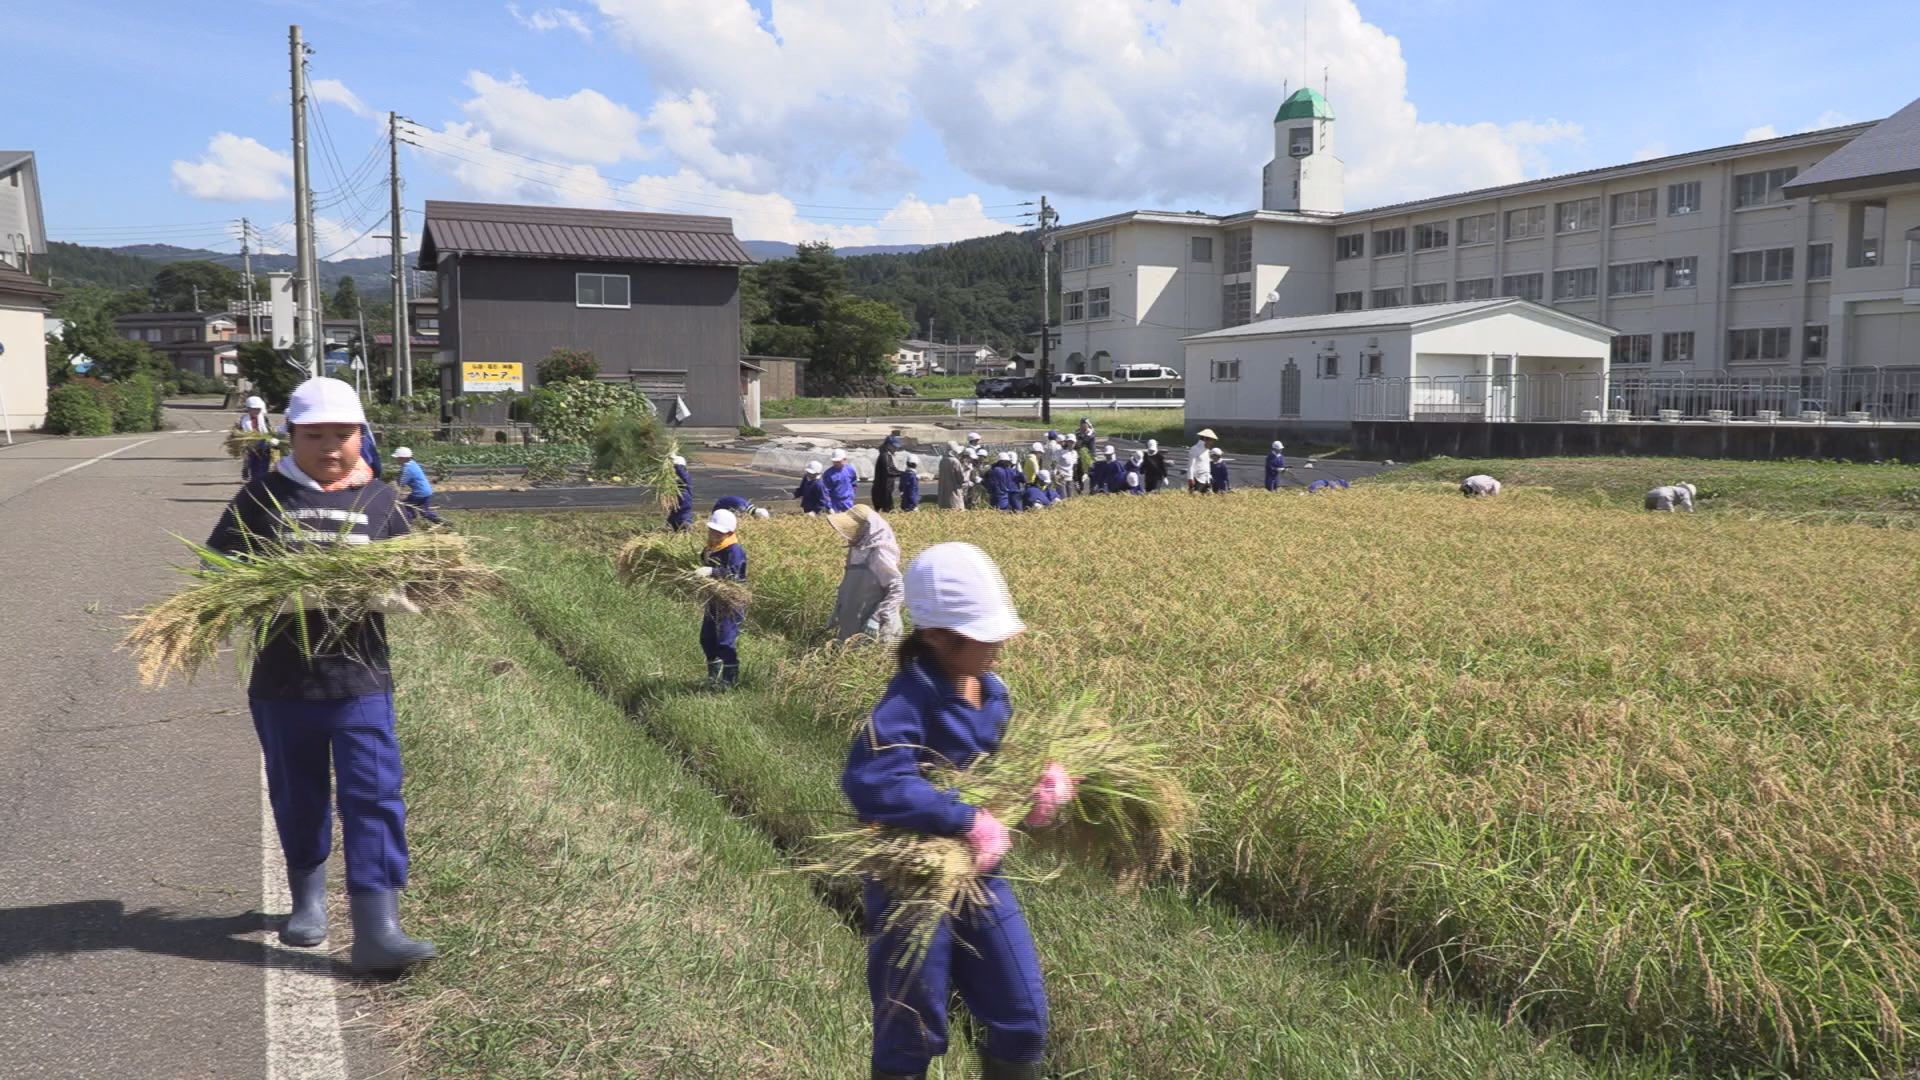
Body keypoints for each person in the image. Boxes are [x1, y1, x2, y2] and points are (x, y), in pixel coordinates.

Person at [207, 376, 435, 973]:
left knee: (375, 794)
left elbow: (425, 579)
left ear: (363, 436)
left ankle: (378, 924)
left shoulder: (384, 502)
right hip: (283, 684)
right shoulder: (262, 498)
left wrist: (398, 594)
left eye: (343, 433)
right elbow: (216, 575)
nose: (330, 446)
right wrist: (279, 596)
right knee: (298, 791)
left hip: (360, 680)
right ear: (291, 436)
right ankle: (307, 899)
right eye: (315, 435)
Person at [842, 542, 1067, 1080]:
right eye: (982, 638)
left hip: (984, 877)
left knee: (1022, 1018)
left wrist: (1037, 781)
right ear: (938, 639)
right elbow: (874, 779)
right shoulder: (908, 700)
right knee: (913, 1027)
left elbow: (997, 759)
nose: (997, 648)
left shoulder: (985, 689)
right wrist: (963, 819)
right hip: (914, 883)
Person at [829, 505, 904, 644]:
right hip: (852, 623)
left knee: (875, 661)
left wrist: (877, 618)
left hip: (876, 628)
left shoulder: (879, 554)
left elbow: (897, 589)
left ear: (866, 528)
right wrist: (838, 609)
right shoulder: (856, 551)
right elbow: (848, 585)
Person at [696, 507, 747, 687]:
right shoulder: (711, 547)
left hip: (731, 601)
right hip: (714, 599)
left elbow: (734, 574)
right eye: (712, 531)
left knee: (725, 640)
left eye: (719, 532)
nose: (715, 534)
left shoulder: (734, 550)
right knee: (707, 638)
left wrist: (712, 571)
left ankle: (729, 680)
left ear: (729, 532)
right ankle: (713, 677)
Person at [390, 447, 445, 525]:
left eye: (398, 458)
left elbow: (401, 483)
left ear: (403, 458)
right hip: (427, 491)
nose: (396, 460)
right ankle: (442, 522)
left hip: (419, 493)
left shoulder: (407, 469)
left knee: (405, 506)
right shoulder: (413, 463)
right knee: (425, 512)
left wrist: (394, 478)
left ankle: (409, 523)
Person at [236, 395, 276, 483]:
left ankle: (262, 480)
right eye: (254, 409)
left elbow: (270, 431)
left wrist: (274, 440)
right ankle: (254, 479)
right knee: (253, 464)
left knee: (264, 465)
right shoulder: (243, 419)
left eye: (258, 409)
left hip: (264, 445)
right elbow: (238, 432)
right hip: (251, 447)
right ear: (248, 409)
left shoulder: (264, 419)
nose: (256, 411)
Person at [823, 449, 859, 513]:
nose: (836, 463)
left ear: (844, 460)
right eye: (834, 462)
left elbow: (854, 483)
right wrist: (829, 507)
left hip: (848, 502)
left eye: (838, 461)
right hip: (835, 503)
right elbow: (825, 492)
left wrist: (852, 495)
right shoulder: (828, 474)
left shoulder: (850, 470)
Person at [873, 435, 902, 513]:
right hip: (883, 491)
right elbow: (889, 471)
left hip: (885, 489)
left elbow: (892, 468)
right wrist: (903, 474)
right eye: (894, 447)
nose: (896, 449)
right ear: (888, 445)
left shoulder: (886, 455)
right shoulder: (884, 456)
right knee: (887, 511)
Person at [666, 454, 694, 531]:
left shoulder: (685, 481)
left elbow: (682, 474)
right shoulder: (674, 483)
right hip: (674, 518)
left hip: (683, 519)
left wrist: (677, 465)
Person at [936, 444, 967, 511]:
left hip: (943, 495)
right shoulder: (955, 461)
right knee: (956, 511)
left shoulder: (942, 460)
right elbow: (961, 478)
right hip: (954, 493)